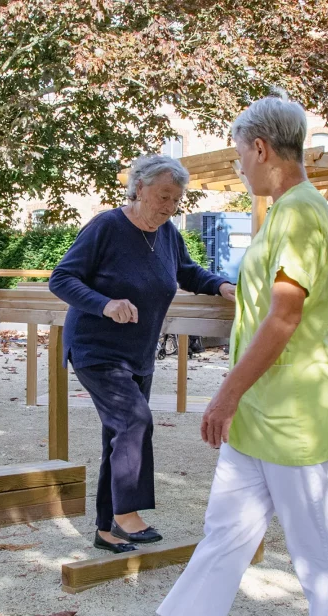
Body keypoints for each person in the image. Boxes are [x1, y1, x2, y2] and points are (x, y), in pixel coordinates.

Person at [119, 96, 328, 616]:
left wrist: (225, 395)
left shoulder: (301, 213)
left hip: (293, 412)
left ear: (261, 149)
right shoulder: (285, 212)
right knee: (226, 532)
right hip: (259, 410)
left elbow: (284, 316)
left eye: (240, 154)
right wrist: (237, 398)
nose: (239, 167)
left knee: (315, 538)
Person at [49, 155, 235, 554]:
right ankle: (126, 514)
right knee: (134, 421)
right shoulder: (106, 226)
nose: (170, 207)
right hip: (96, 349)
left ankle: (106, 530)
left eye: (176, 200)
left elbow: (187, 271)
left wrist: (221, 285)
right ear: (139, 188)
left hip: (139, 354)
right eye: (164, 196)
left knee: (119, 437)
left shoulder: (167, 234)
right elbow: (61, 278)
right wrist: (105, 304)